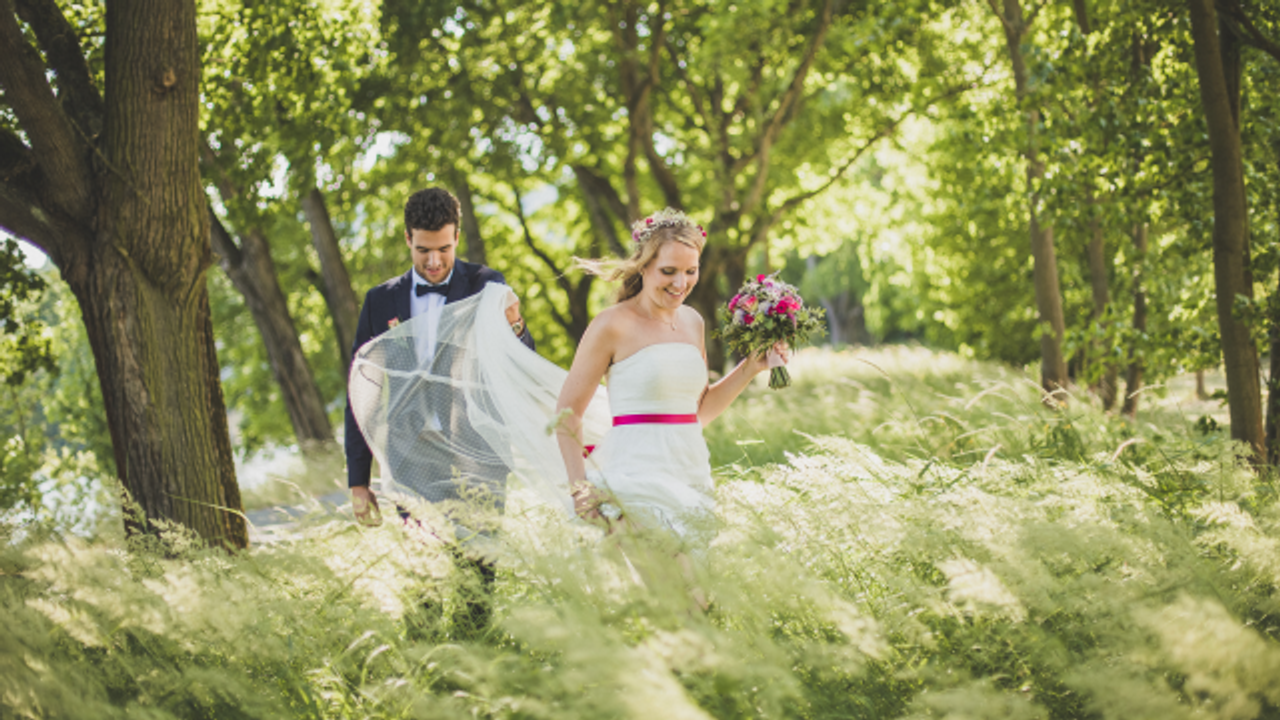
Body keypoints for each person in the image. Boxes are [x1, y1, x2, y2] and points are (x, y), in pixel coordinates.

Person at [344, 187, 533, 634]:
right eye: (424, 249)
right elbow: (362, 388)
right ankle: (426, 681)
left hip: (477, 456)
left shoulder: (487, 284)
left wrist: (517, 325)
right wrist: (358, 480)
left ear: (458, 237)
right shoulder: (380, 301)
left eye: (444, 249)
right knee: (422, 585)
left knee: (476, 584)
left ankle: (478, 687)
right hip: (411, 461)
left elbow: (521, 356)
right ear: (407, 238)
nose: (434, 261)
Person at [554, 207, 787, 549]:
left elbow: (697, 412)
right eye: (668, 271)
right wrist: (580, 490)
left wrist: (751, 366)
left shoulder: (693, 322)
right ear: (643, 265)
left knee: (692, 599)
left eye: (690, 271)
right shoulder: (611, 325)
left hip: (690, 472)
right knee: (680, 592)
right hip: (633, 478)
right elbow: (567, 413)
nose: (681, 284)